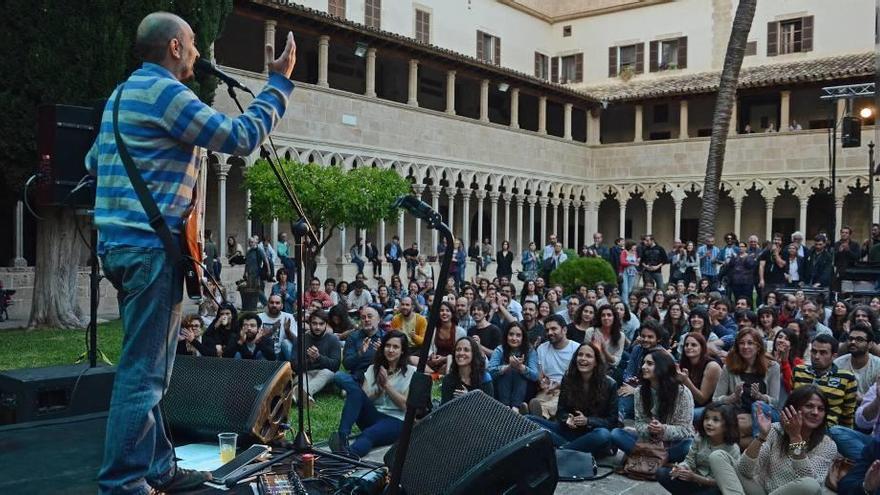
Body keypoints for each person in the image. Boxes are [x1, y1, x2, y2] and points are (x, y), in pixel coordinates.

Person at [85, 11, 296, 493]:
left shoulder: (121, 96)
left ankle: (158, 466)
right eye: (194, 42)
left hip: (119, 248)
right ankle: (122, 482)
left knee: (150, 366)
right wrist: (278, 85)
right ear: (175, 47)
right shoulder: (167, 94)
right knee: (143, 375)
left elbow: (93, 161)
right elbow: (241, 138)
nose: (199, 52)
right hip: (151, 250)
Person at [711, 385, 837, 495]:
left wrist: (795, 438)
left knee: (811, 484)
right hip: (762, 490)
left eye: (821, 409)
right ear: (792, 409)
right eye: (809, 406)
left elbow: (808, 480)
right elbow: (745, 470)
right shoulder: (775, 430)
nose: (815, 412)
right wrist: (761, 437)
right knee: (718, 456)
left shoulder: (827, 444)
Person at [331, 331, 415, 457]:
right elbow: (361, 400)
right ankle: (342, 437)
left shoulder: (411, 372)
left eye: (395, 347)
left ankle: (347, 457)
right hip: (373, 416)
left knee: (369, 434)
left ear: (402, 351)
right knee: (353, 389)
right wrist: (377, 392)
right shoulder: (373, 369)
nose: (390, 350)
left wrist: (386, 386)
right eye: (388, 346)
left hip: (397, 421)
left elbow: (406, 407)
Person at [527, 343, 619, 455]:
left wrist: (588, 421)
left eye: (588, 356)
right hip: (569, 432)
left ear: (596, 362)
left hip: (593, 435)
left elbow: (612, 421)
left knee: (604, 434)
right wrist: (567, 419)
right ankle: (568, 450)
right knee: (527, 420)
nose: (583, 359)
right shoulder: (568, 378)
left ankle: (560, 451)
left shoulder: (610, 384)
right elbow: (561, 411)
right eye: (580, 355)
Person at [610, 349, 696, 463]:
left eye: (650, 364)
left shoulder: (682, 393)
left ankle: (646, 458)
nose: (644, 367)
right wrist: (649, 429)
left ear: (662, 366)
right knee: (616, 434)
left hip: (671, 444)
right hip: (647, 441)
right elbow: (639, 423)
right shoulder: (640, 391)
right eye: (644, 363)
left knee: (688, 445)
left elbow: (686, 430)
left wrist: (662, 429)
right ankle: (654, 459)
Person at [714, 328, 781, 448]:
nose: (745, 347)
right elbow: (715, 399)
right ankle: (760, 448)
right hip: (739, 413)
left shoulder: (773, 367)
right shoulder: (728, 368)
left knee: (757, 405)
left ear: (758, 346)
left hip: (765, 414)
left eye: (750, 343)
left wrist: (761, 396)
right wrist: (732, 398)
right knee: (732, 426)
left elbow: (776, 402)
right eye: (742, 343)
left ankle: (760, 448)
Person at [656, 402, 741, 495]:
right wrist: (681, 468)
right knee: (661, 473)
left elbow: (727, 482)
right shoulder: (700, 438)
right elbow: (689, 461)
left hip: (714, 487)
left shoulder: (733, 449)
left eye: (715, 420)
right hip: (694, 481)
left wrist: (696, 478)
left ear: (727, 425)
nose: (709, 423)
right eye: (706, 418)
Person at [793, 334, 858, 428]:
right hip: (798, 424)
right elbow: (792, 404)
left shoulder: (846, 378)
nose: (816, 356)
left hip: (828, 429)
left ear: (834, 356)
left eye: (823, 353)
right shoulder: (799, 371)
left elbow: (847, 416)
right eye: (814, 351)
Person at [528, 315, 580, 419]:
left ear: (564, 330)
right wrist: (541, 382)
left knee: (555, 402)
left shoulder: (577, 349)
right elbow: (540, 373)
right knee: (536, 402)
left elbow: (578, 377)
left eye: (553, 329)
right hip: (547, 389)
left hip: (567, 389)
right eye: (547, 330)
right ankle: (535, 414)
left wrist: (560, 385)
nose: (549, 333)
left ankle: (537, 414)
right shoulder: (542, 348)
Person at [291, 310, 341, 402]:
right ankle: (305, 396)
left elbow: (335, 366)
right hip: (305, 373)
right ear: (309, 323)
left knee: (327, 372)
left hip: (325, 375)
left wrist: (319, 357)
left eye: (321, 324)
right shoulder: (300, 339)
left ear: (326, 324)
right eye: (314, 323)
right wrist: (310, 360)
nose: (318, 327)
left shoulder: (333, 339)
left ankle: (299, 392)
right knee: (303, 377)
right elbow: (294, 367)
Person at [488, 322, 538, 410]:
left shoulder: (530, 351)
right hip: (501, 392)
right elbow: (490, 372)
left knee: (518, 371)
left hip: (524, 393)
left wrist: (521, 367)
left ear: (523, 337)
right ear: (506, 336)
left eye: (518, 335)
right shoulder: (500, 349)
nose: (514, 338)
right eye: (511, 334)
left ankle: (516, 408)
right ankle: (505, 407)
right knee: (507, 370)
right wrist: (508, 367)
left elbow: (535, 376)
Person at [677, 333, 723, 420]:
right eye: (686, 345)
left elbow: (702, 399)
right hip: (690, 405)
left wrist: (686, 381)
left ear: (702, 348)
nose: (689, 347)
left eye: (693, 345)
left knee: (684, 416)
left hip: (710, 407)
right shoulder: (684, 363)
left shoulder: (712, 366)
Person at [338, 306, 385, 383]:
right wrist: (360, 353)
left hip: (379, 374)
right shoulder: (353, 337)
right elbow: (347, 365)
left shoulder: (386, 337)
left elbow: (394, 365)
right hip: (358, 375)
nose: (366, 320)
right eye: (363, 318)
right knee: (338, 376)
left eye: (370, 317)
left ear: (378, 320)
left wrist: (382, 354)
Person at [441, 337, 493, 404]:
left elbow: (489, 409)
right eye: (458, 349)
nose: (461, 353)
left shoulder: (485, 378)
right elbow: (444, 410)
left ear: (473, 354)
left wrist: (468, 399)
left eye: (466, 350)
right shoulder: (448, 379)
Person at [426, 301, 466, 375]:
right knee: (412, 359)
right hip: (434, 361)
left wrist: (443, 359)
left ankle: (440, 377)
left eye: (447, 311)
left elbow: (461, 352)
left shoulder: (460, 331)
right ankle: (434, 374)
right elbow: (429, 347)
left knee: (449, 359)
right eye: (441, 310)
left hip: (451, 361)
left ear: (452, 314)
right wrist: (432, 355)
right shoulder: (433, 330)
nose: (444, 313)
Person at [259, 293, 296, 361]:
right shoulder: (259, 317)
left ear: (282, 306)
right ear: (267, 304)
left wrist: (288, 331)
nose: (274, 305)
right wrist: (272, 330)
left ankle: (293, 369)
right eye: (272, 302)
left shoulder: (288, 317)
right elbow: (256, 340)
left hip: (281, 353)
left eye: (277, 303)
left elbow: (296, 341)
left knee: (286, 343)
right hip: (265, 353)